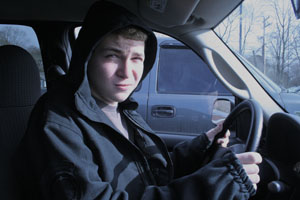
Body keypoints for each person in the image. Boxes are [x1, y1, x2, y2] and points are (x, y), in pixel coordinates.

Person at [15, 1, 262, 199]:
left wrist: (203, 144)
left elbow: (152, 173)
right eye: (113, 56)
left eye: (136, 58)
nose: (127, 71)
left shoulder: (121, 109)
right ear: (87, 59)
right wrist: (213, 187)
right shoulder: (58, 122)